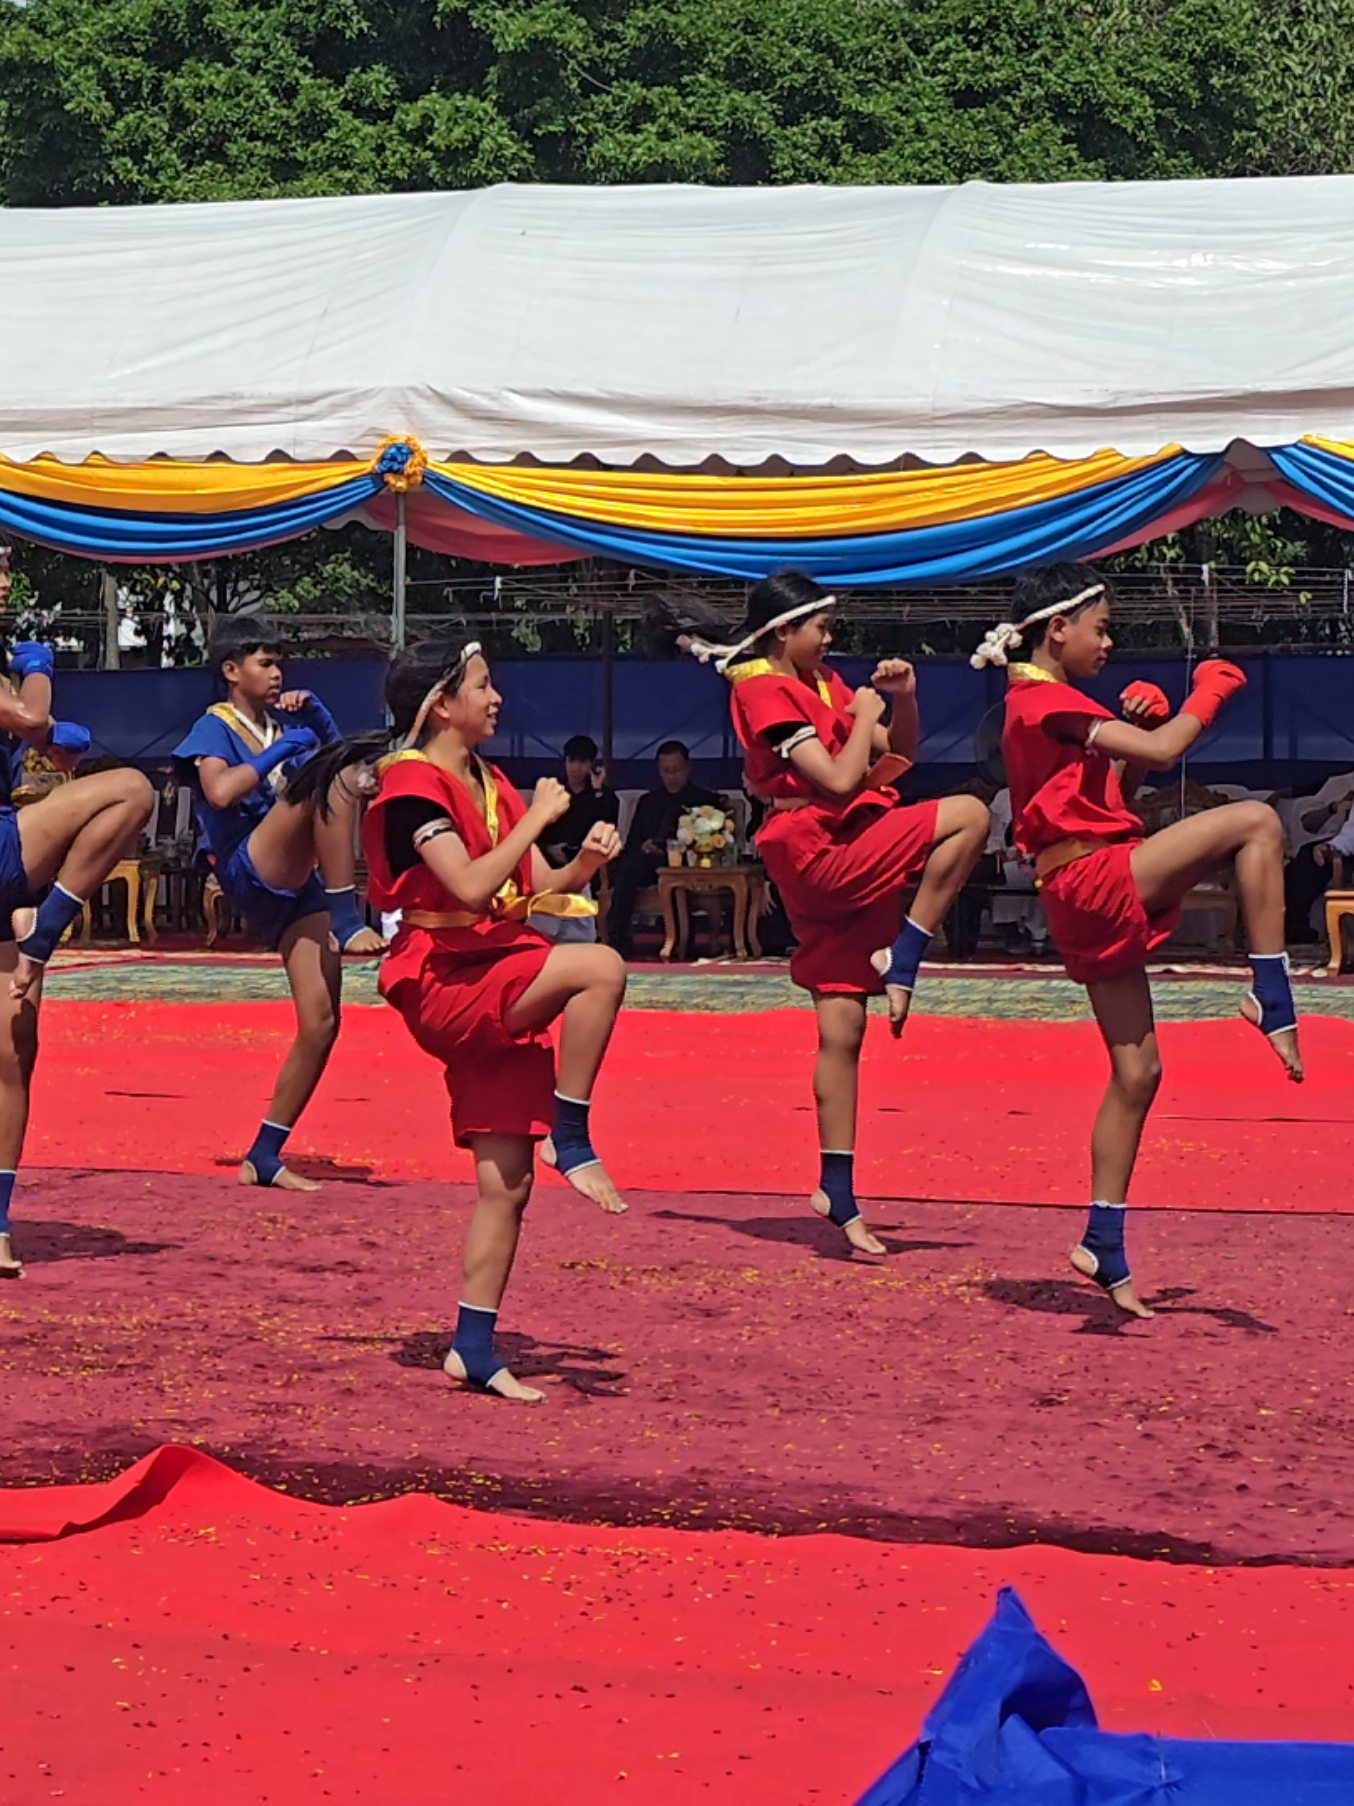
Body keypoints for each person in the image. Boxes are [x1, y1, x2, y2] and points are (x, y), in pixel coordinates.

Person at [289, 634, 628, 1403]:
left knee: (506, 1182)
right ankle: (571, 1134)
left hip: (496, 968)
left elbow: (532, 880)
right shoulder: (411, 784)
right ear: (442, 702)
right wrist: (538, 817)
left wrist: (583, 864)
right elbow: (473, 886)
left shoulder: (487, 778)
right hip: (445, 976)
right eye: (482, 685)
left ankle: (472, 1345)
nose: (496, 697)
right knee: (600, 967)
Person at [975, 562, 1300, 1321]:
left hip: (1078, 889)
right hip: (1092, 882)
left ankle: (1104, 1238)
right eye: (1101, 627)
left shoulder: (1044, 704)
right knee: (1257, 822)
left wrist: (1131, 737)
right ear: (1058, 628)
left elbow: (1106, 800)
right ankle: (1272, 990)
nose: (1109, 641)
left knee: (1138, 1071)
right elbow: (1164, 760)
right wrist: (1209, 693)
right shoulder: (1043, 699)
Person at [651, 570, 989, 1255]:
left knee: (843, 1027)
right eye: (821, 626)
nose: (831, 637)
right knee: (971, 815)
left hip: (850, 835)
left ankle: (838, 1189)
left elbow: (896, 759)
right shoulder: (761, 689)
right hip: (815, 845)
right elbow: (836, 778)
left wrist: (903, 700)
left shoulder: (828, 684)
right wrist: (867, 716)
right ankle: (912, 949)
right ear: (785, 631)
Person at [173, 618, 382, 1194]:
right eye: (264, 662)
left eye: (278, 662)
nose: (276, 671)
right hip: (248, 865)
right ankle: (347, 916)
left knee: (322, 1022)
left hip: (297, 884)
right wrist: (283, 753)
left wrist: (316, 723)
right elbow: (218, 791)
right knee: (325, 780)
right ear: (231, 670)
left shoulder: (281, 724)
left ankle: (265, 1153)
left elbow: (348, 771)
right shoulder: (215, 726)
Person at [0, 591, 153, 1277]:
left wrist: (52, 741)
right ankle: (42, 939)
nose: (4, 578)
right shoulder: (19, 669)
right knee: (132, 790)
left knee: (14, 1041)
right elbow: (32, 714)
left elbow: (38, 735)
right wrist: (40, 675)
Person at [605, 741, 721, 953]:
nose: (671, 776)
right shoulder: (648, 801)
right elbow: (633, 843)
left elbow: (712, 841)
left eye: (676, 770)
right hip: (651, 863)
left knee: (679, 872)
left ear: (687, 768)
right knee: (627, 868)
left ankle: (683, 938)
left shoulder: (705, 800)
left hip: (688, 864)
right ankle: (615, 938)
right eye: (665, 771)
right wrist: (645, 846)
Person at [534, 734, 619, 945]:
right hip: (553, 860)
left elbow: (608, 825)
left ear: (591, 764)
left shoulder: (603, 797)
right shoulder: (556, 795)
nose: (576, 768)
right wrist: (550, 849)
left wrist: (598, 791)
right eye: (571, 761)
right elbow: (538, 833)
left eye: (582, 762)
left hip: (591, 863)